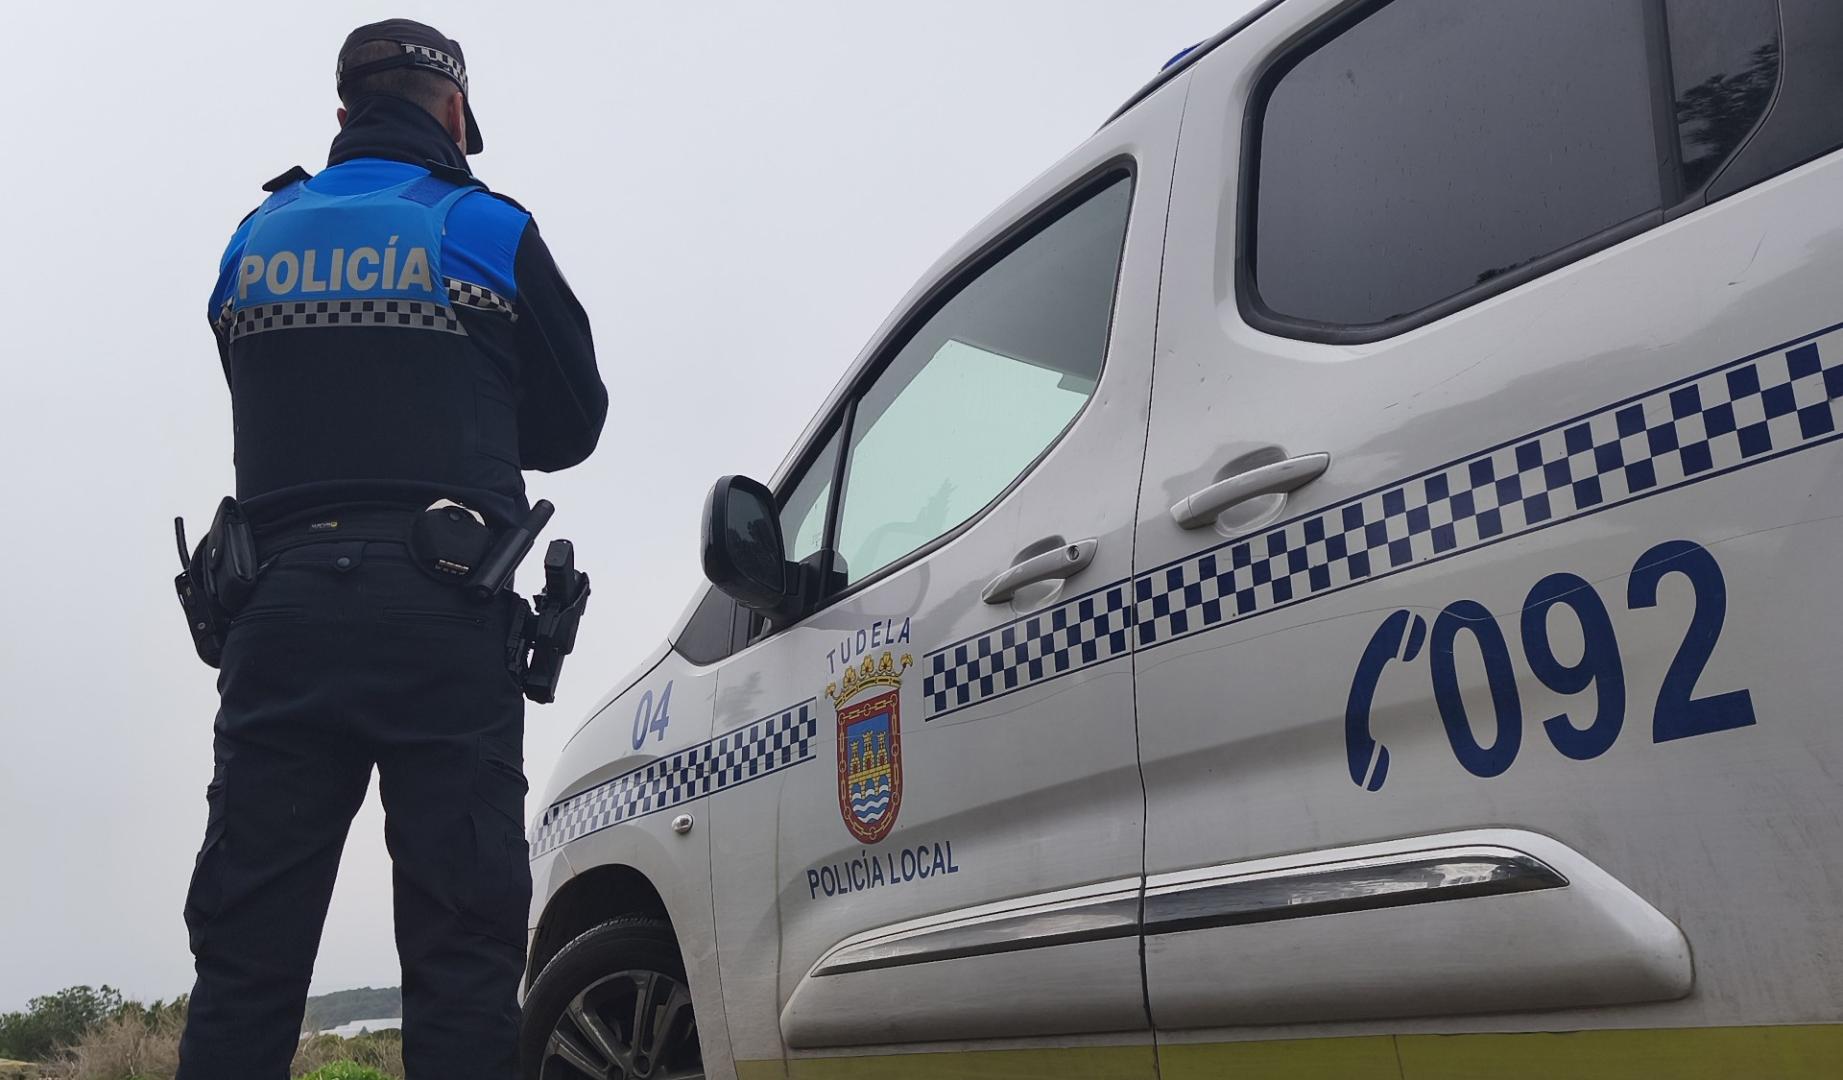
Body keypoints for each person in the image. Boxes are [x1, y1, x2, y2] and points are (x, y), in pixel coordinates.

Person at [177, 19, 606, 1079]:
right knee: (462, 956)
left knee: (246, 963)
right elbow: (575, 424)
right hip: (444, 610)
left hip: (274, 616)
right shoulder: (486, 228)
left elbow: (260, 398)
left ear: (342, 114)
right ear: (452, 110)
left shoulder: (254, 238)